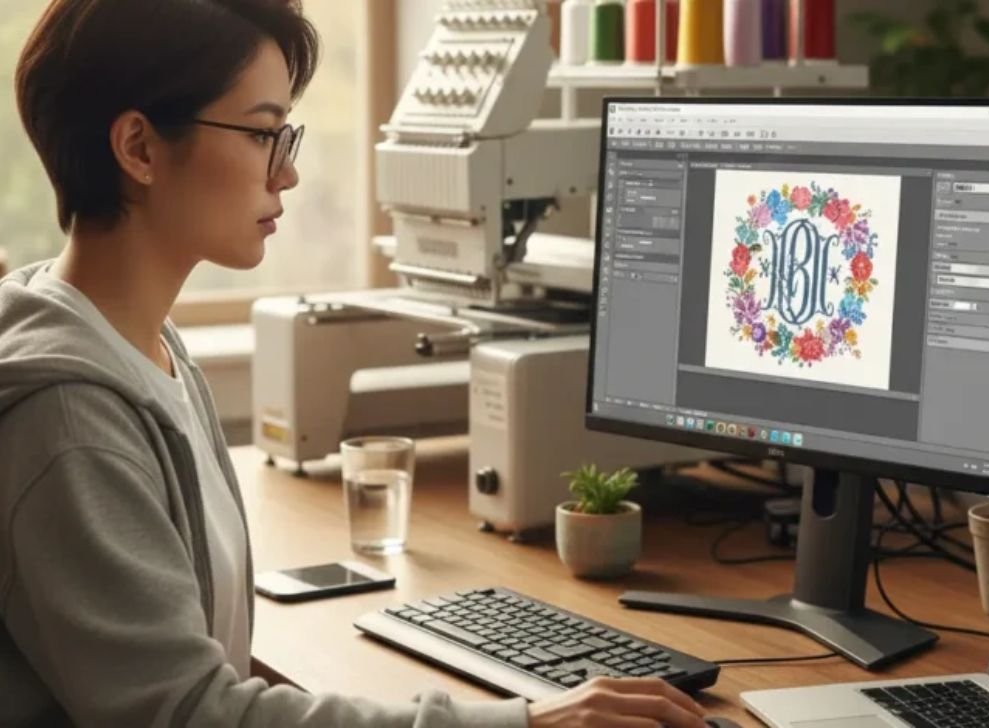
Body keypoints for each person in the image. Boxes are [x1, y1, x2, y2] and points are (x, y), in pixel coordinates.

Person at [0, 2, 710, 726]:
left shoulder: (146, 347)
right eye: (260, 134)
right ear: (139, 149)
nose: (290, 173)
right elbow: (191, 715)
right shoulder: (72, 422)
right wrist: (522, 722)